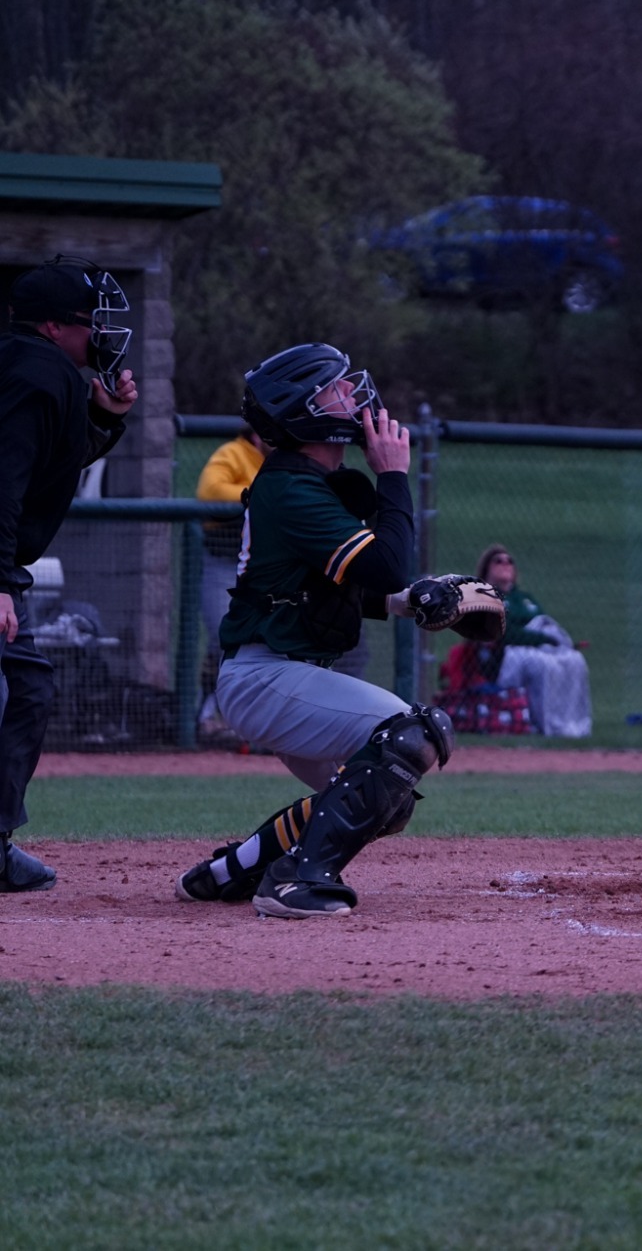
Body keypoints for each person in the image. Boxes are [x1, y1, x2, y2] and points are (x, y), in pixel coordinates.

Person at [172, 343, 463, 918]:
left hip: (280, 672)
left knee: (388, 797)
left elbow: (346, 587)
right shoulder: (293, 487)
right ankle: (295, 883)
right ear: (306, 411)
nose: (352, 397)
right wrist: (394, 477)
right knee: (410, 734)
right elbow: (387, 564)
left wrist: (411, 602)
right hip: (264, 674)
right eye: (335, 391)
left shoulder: (308, 481)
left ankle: (232, 871)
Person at [0, 255, 137, 893]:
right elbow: (2, 483)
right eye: (88, 322)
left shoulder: (33, 366)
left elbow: (54, 460)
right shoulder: (39, 371)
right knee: (14, 694)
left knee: (26, 689)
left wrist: (103, 417)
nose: (99, 334)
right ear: (54, 328)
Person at [194, 426, 269, 731]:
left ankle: (235, 718)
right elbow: (209, 492)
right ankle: (205, 714)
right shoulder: (235, 453)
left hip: (263, 570)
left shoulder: (288, 460)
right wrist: (263, 493)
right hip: (223, 562)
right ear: (257, 434)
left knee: (261, 642)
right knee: (224, 637)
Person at [475, 544, 592, 736]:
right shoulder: (484, 597)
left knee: (574, 661)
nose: (505, 564)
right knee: (544, 665)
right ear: (486, 569)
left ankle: (573, 726)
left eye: (509, 561)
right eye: (498, 561)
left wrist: (556, 640)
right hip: (505, 655)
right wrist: (542, 639)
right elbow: (504, 633)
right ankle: (545, 725)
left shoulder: (525, 599)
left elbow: (542, 623)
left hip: (535, 647)